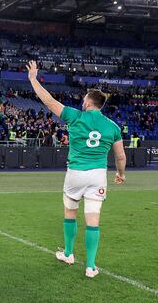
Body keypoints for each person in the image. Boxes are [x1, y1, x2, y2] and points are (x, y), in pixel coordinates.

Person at [26, 61, 126, 278]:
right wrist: (121, 173)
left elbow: (48, 100)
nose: (82, 101)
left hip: (75, 174)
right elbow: (120, 156)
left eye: (84, 99)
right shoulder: (113, 127)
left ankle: (69, 253)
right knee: (93, 220)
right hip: (98, 175)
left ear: (89, 102)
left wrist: (33, 79)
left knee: (70, 214)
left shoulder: (75, 116)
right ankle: (90, 266)